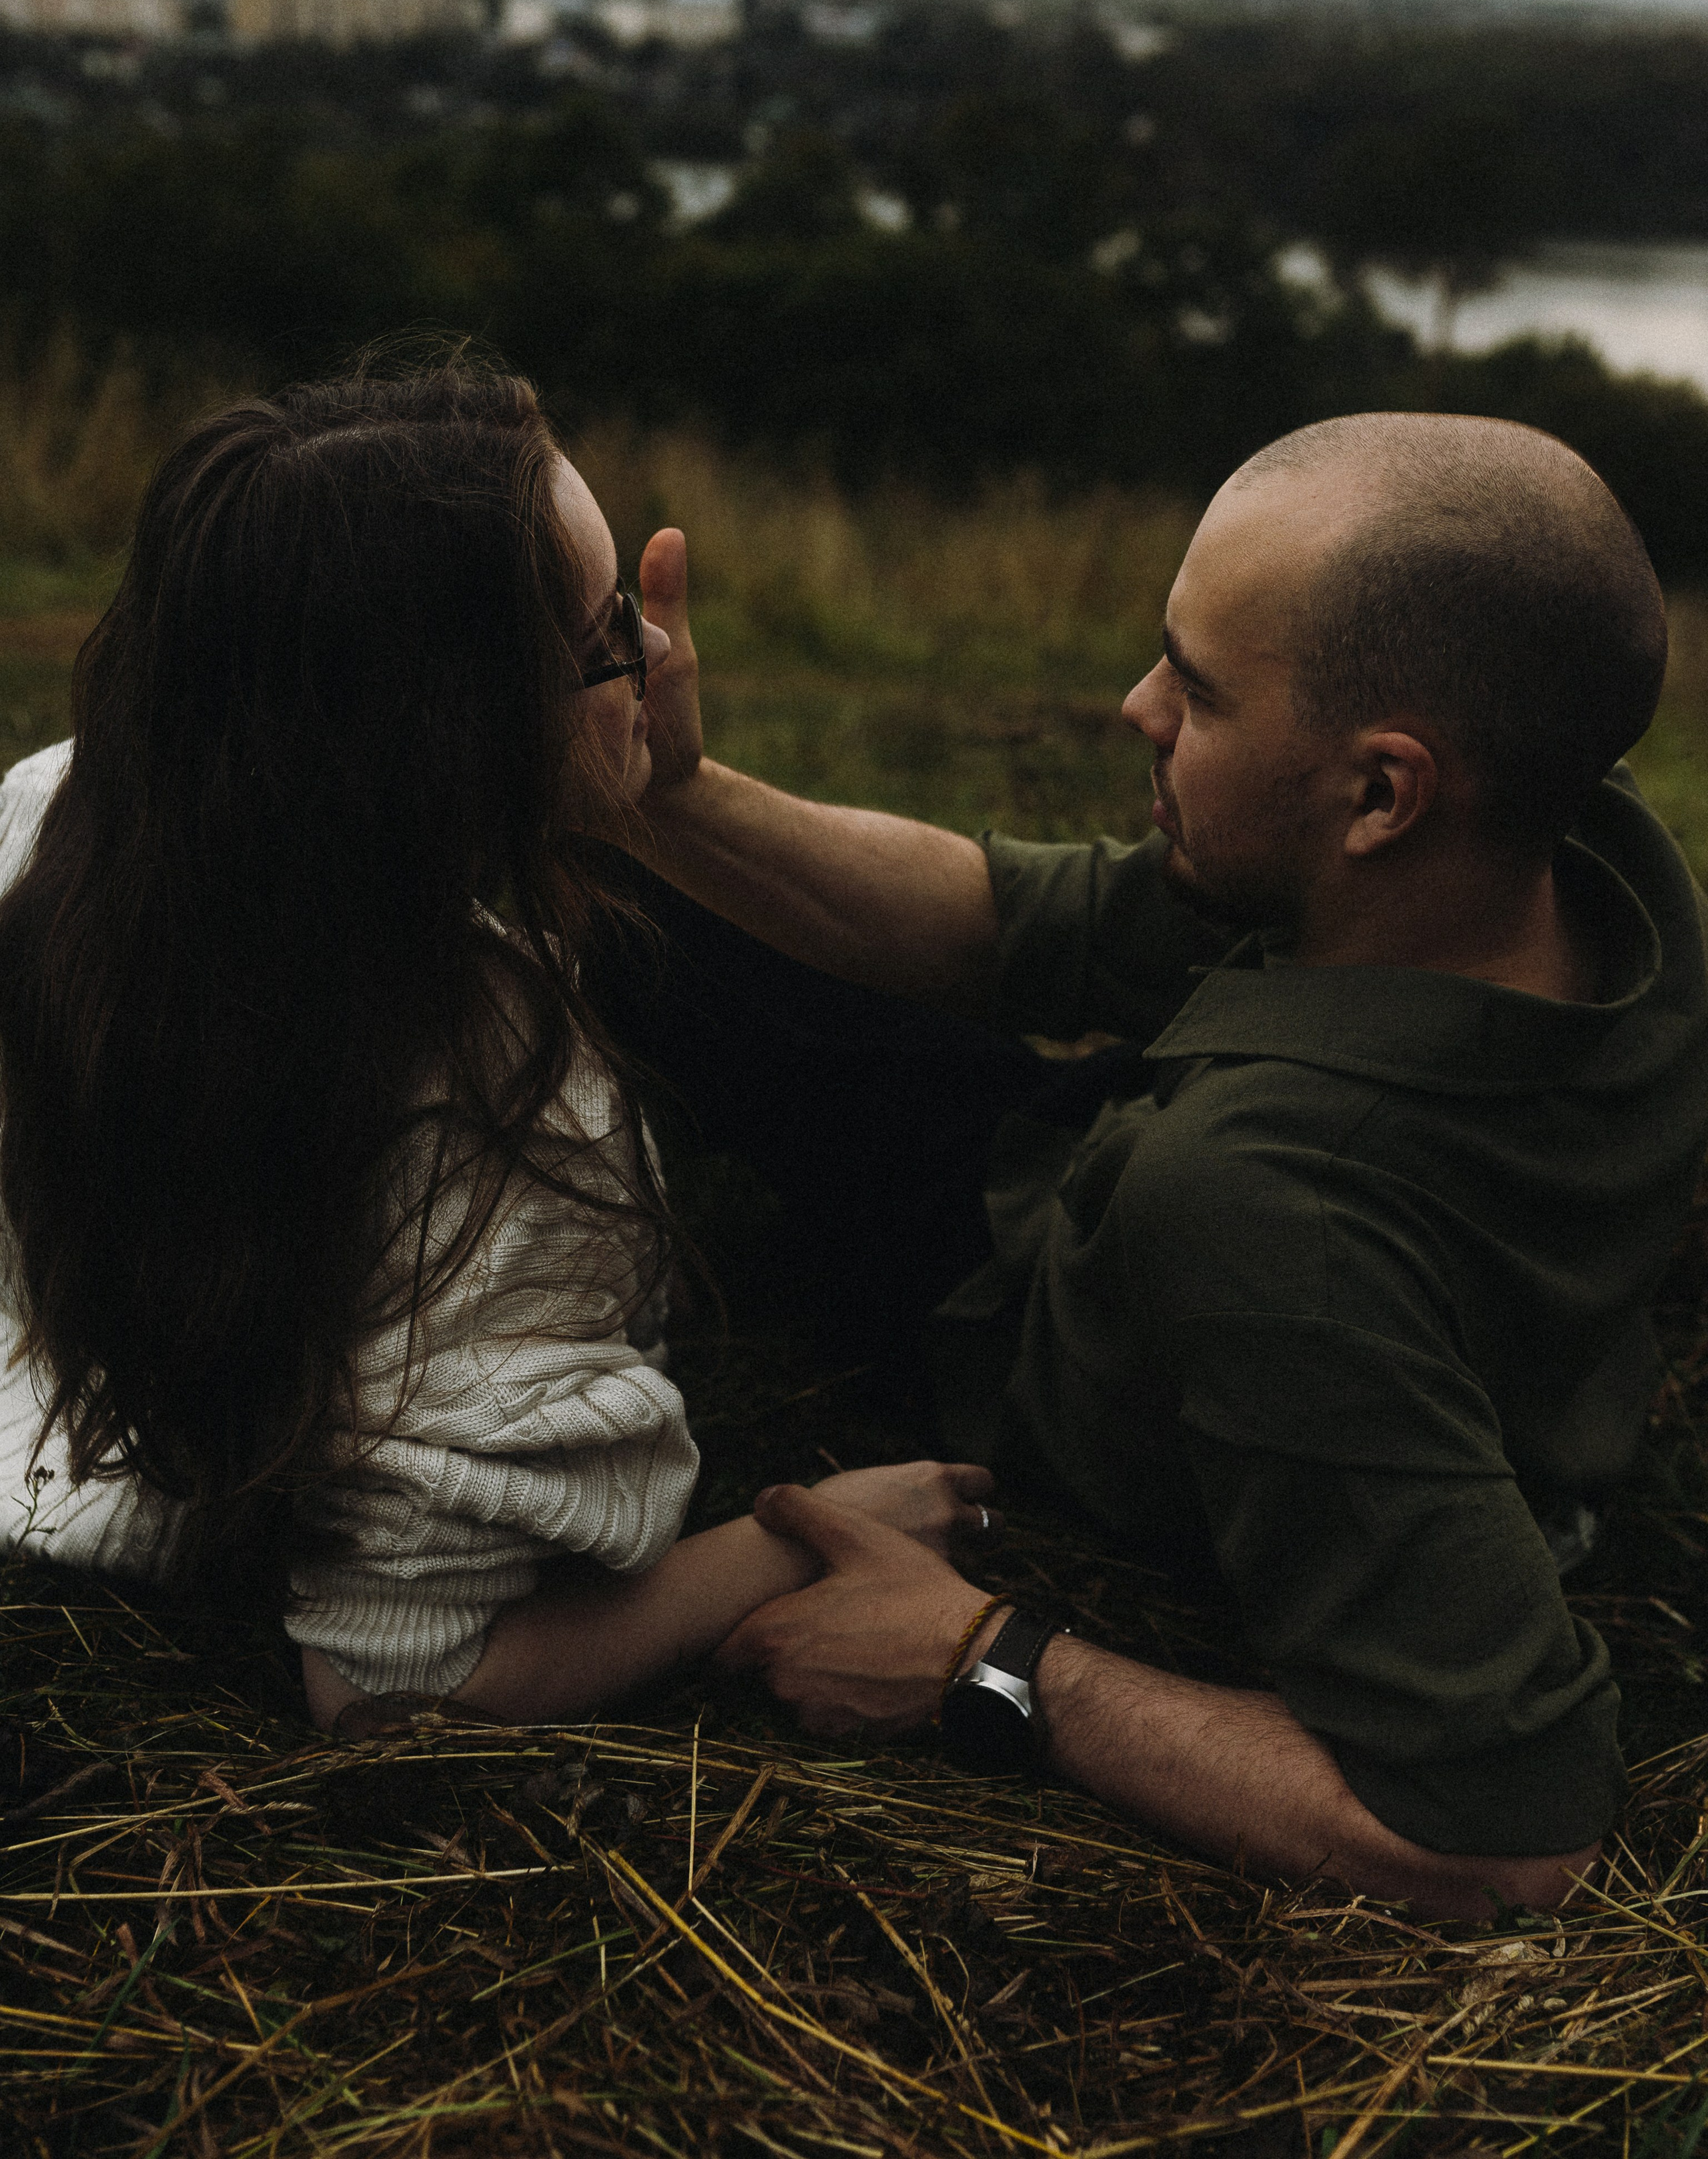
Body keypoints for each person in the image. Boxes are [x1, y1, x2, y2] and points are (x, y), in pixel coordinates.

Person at [600, 411, 1708, 1918]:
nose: (1134, 709)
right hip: (1117, 1155)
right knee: (627, 874)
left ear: (1380, 795)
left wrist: (983, 1663)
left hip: (1003, 1309)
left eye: (1193, 689)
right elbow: (1029, 930)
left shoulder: (1264, 1216)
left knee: (607, 935)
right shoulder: (1570, 851)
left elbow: (1504, 1831)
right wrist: (674, 798)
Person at [0, 358, 993, 1736]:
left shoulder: (64, 820)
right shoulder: (502, 1112)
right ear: (446, 741)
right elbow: (396, 1675)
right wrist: (791, 1535)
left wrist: (628, 767)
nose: (660, 656)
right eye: (605, 639)